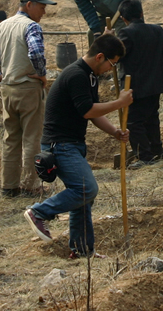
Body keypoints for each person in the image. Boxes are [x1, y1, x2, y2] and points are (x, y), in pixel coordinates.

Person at [23, 35, 132, 258]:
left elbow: (91, 112)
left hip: (73, 143)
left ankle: (82, 250)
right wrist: (119, 103)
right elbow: (88, 111)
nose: (110, 70)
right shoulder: (76, 75)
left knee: (83, 199)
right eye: (111, 64)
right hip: (60, 145)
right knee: (86, 189)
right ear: (100, 57)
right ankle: (38, 212)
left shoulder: (89, 76)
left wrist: (114, 132)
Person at [0, 0, 54, 196]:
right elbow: (36, 52)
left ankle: (8, 186)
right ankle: (31, 185)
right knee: (31, 138)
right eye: (42, 6)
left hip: (8, 88)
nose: (44, 12)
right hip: (28, 87)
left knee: (11, 138)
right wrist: (42, 73)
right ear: (30, 5)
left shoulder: (4, 26)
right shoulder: (31, 27)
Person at [115, 0, 163, 166]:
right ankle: (156, 151)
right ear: (141, 13)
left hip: (135, 86)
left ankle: (145, 157)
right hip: (156, 82)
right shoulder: (157, 30)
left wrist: (109, 40)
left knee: (133, 121)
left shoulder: (125, 34)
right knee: (152, 117)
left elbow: (116, 55)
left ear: (123, 18)